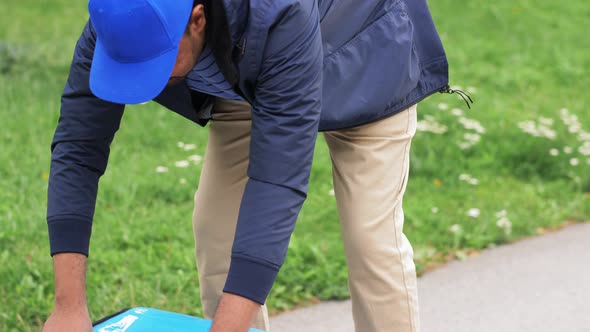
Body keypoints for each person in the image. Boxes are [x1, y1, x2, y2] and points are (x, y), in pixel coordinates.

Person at [42, 0, 449, 331]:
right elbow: (78, 147)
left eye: (153, 63)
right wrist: (67, 305)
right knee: (216, 229)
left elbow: (276, 183)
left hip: (365, 60)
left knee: (368, 240)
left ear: (196, 19)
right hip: (250, 77)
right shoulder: (121, 15)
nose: (138, 80)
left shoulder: (277, 10)